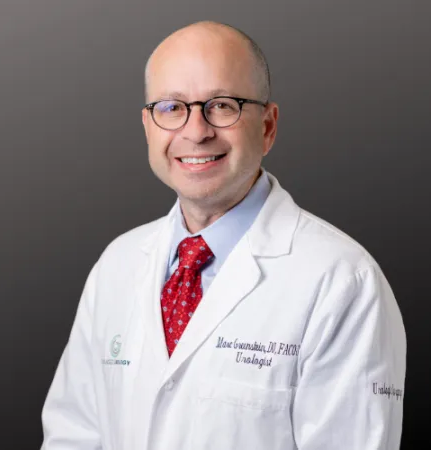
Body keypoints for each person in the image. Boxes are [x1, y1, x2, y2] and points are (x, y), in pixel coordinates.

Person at [41, 21, 406, 450]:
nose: (196, 131)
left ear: (268, 126)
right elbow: (74, 436)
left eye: (222, 105)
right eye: (171, 108)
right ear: (148, 126)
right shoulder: (116, 265)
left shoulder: (343, 281)